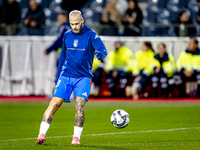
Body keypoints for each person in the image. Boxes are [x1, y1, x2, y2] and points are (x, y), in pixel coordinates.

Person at [36, 10, 107, 145]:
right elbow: (63, 55)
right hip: (66, 76)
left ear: (82, 21)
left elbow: (103, 51)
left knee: (80, 106)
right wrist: (58, 77)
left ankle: (76, 138)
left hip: (83, 77)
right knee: (54, 104)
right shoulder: (67, 35)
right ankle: (41, 134)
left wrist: (100, 54)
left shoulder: (92, 35)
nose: (74, 27)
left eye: (76, 24)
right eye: (71, 24)